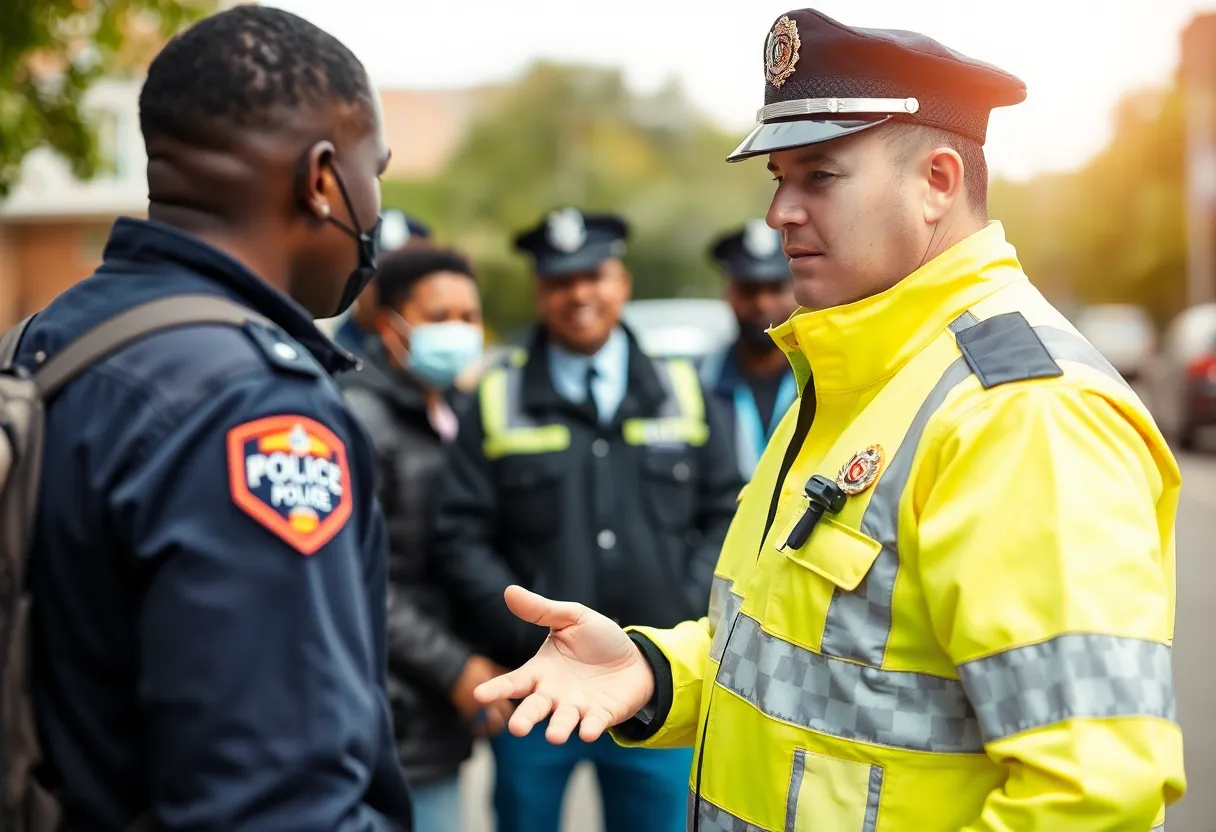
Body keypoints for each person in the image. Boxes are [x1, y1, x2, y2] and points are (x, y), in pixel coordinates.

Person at [472, 10, 1186, 832]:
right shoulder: (858, 374)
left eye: (821, 176)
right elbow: (815, 670)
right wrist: (656, 669)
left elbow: (1091, 797)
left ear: (939, 182)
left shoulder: (1022, 410)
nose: (780, 212)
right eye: (779, 177)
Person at [10, 6, 413, 829]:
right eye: (378, 173)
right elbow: (276, 804)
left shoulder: (52, 334)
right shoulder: (256, 407)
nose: (375, 212)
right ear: (323, 178)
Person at [430, 207, 743, 832]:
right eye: (559, 281)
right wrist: (526, 641)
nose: (579, 294)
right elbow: (460, 536)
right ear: (540, 292)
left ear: (621, 283)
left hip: (655, 684)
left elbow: (726, 520)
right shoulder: (494, 398)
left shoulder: (687, 392)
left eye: (593, 275)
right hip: (537, 689)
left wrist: (681, 613)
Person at [338, 245, 511, 832]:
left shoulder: (463, 411)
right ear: (392, 327)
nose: (459, 332)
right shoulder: (361, 419)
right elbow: (358, 579)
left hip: (435, 715)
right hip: (388, 711)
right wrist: (457, 668)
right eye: (439, 317)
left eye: (469, 317)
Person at [700, 219, 799, 480]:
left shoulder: (824, 380)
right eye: (749, 289)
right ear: (729, 293)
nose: (762, 303)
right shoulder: (698, 384)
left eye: (775, 288)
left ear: (796, 290)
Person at [333, 208, 433, 356]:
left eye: (406, 277)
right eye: (377, 274)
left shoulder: (437, 345)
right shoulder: (333, 351)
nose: (393, 290)